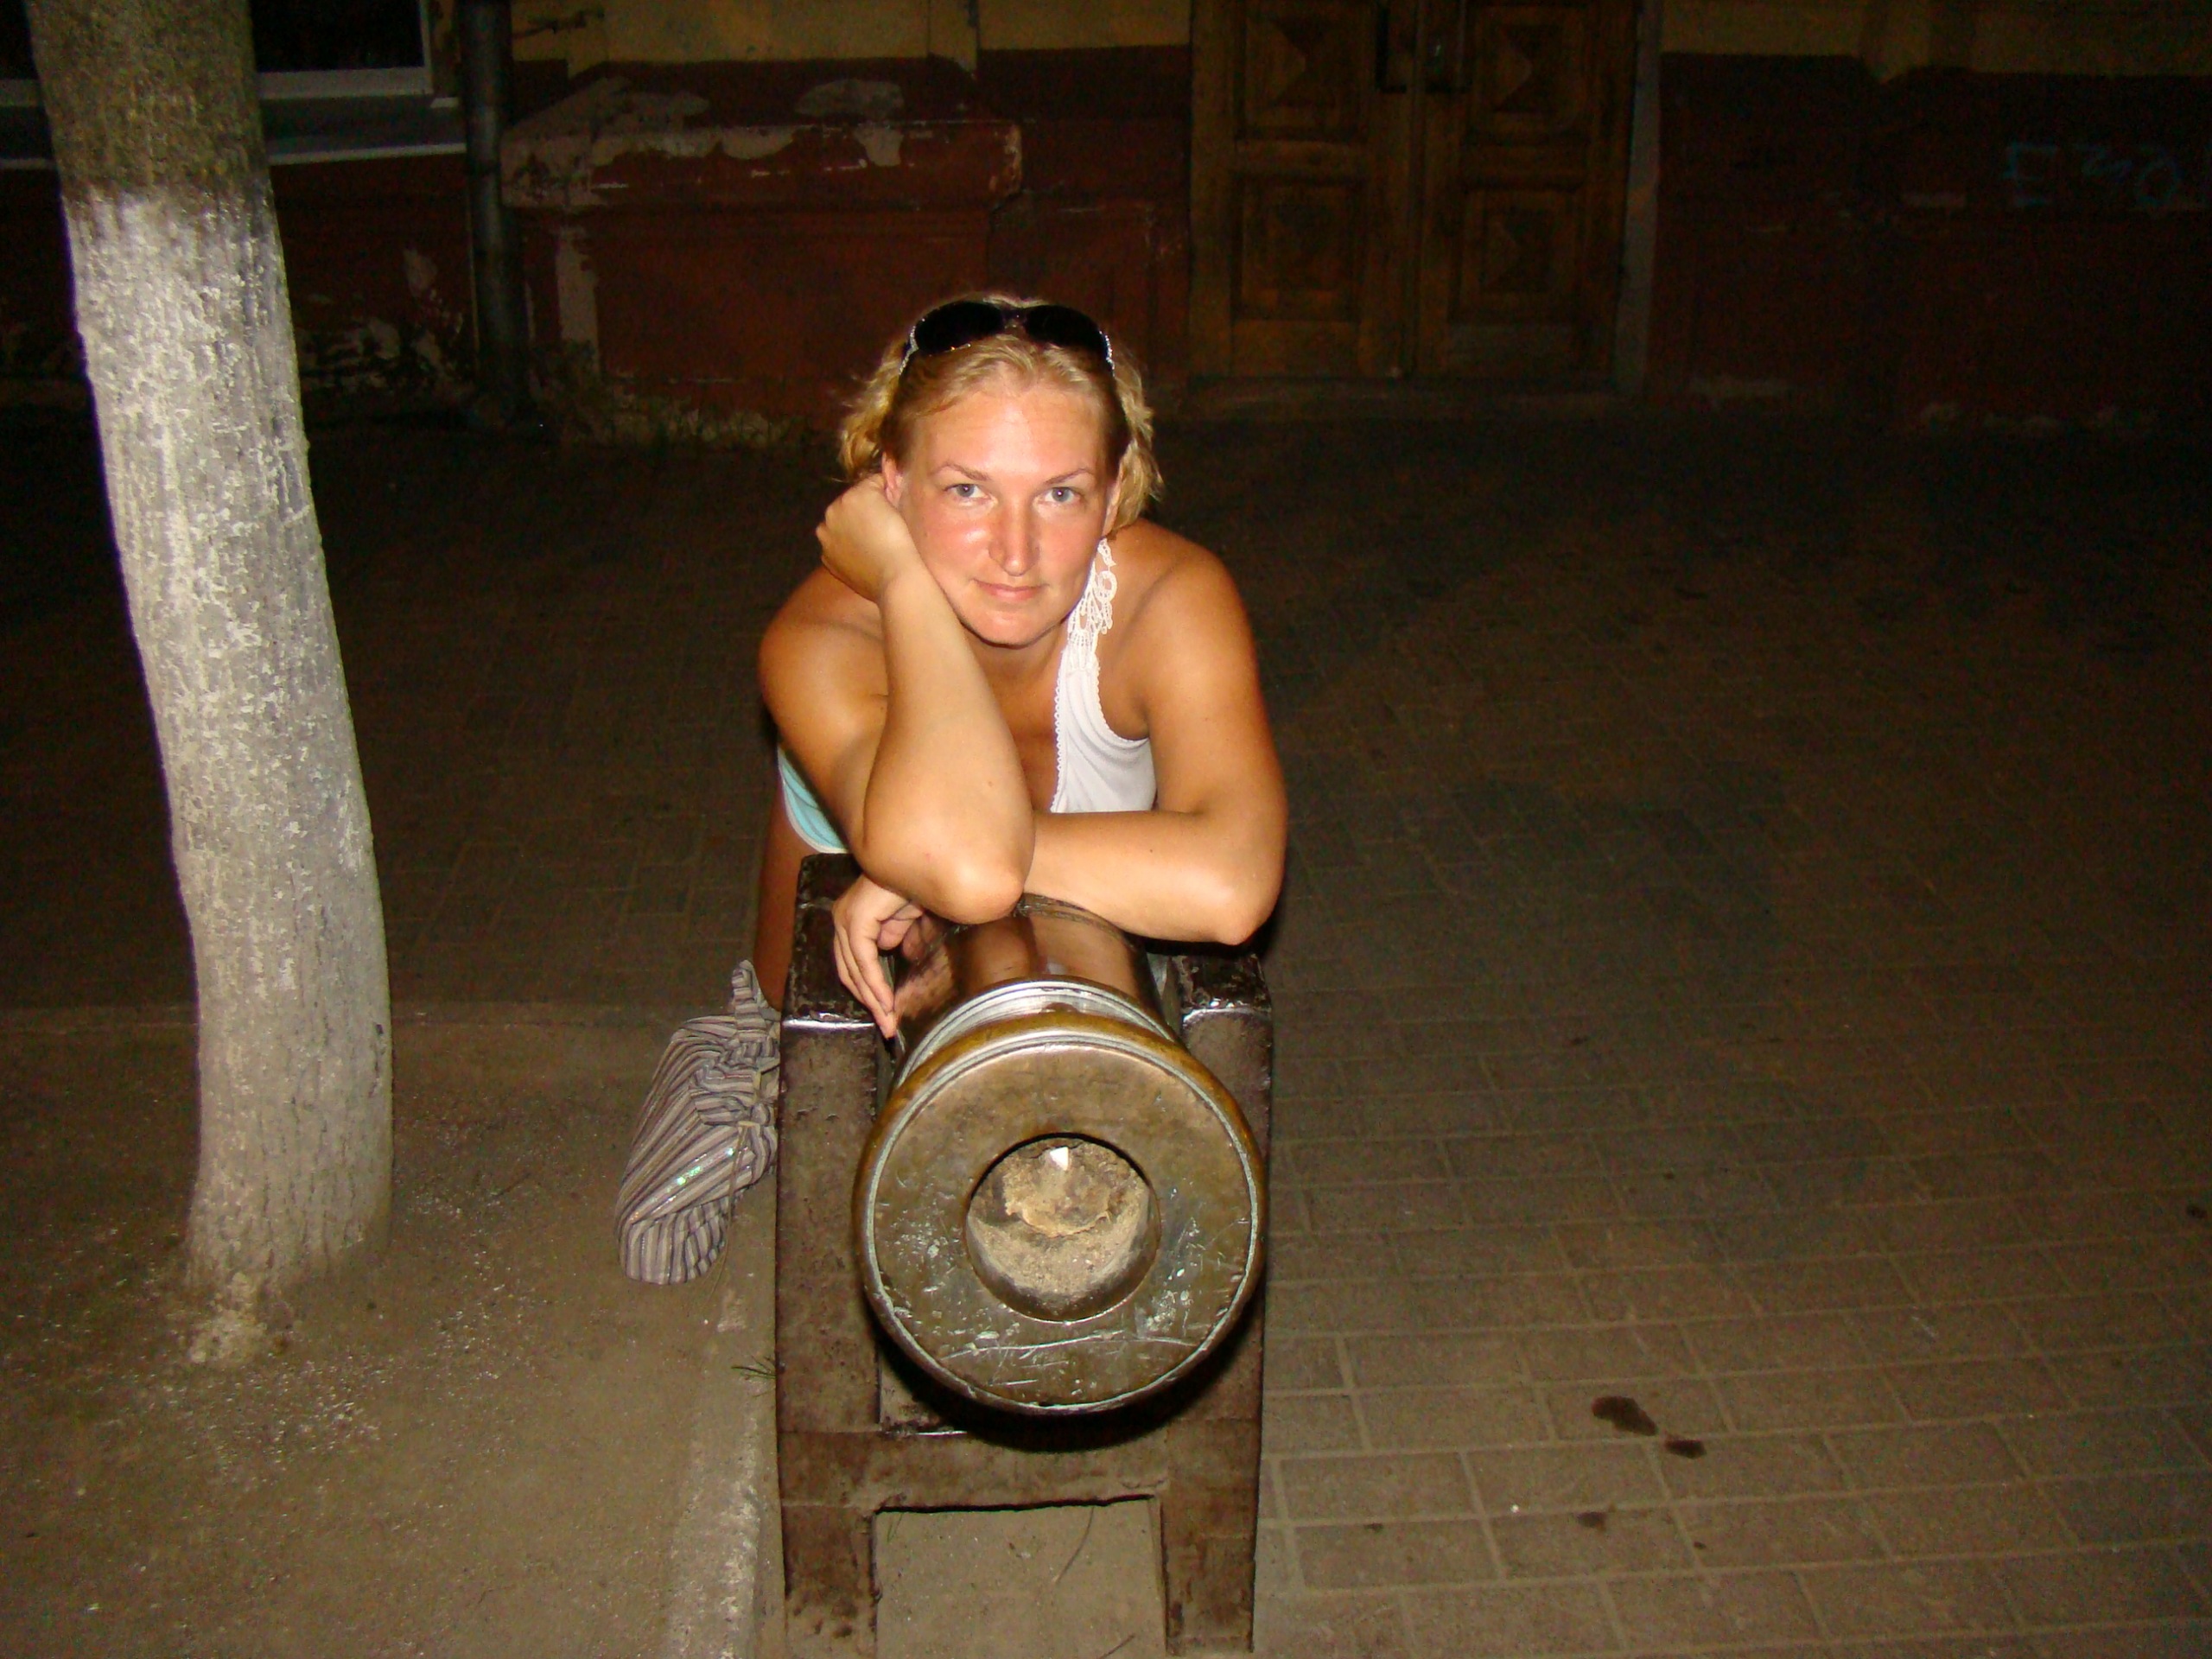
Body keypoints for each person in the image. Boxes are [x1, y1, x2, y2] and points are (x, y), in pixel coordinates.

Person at [753, 296, 1287, 1033]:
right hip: (826, 1037)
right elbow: (975, 870)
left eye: (1060, 494)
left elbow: (1231, 887)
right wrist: (903, 582)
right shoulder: (821, 639)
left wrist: (951, 859)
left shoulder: (1164, 601)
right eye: (968, 490)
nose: (1015, 552)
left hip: (1080, 999)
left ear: (1112, 495)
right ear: (893, 482)